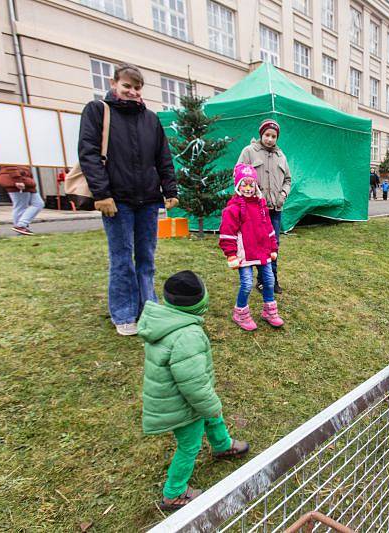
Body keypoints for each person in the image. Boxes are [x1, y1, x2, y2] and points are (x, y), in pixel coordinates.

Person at [78, 63, 178, 336]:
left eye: (137, 88)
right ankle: (123, 312)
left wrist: (170, 190)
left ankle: (149, 307)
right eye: (127, 87)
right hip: (116, 201)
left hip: (147, 199)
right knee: (121, 258)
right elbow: (88, 154)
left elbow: (163, 157)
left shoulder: (151, 119)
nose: (132, 92)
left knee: (147, 257)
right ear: (114, 84)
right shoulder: (98, 111)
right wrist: (102, 194)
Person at [138, 270, 250, 512]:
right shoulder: (187, 335)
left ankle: (222, 445)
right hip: (182, 403)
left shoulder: (166, 320)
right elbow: (193, 384)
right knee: (190, 444)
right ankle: (174, 492)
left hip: (181, 396)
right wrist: (210, 403)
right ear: (201, 304)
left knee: (212, 416)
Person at [219, 164, 284, 330]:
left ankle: (269, 311)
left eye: (251, 184)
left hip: (263, 251)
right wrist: (231, 254)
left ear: (255, 185)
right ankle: (240, 313)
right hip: (244, 254)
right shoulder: (232, 209)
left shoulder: (261, 205)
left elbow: (269, 228)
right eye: (244, 184)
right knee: (247, 284)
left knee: (269, 280)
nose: (248, 188)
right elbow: (227, 234)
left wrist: (273, 248)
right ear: (238, 185)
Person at [237, 119, 292, 295]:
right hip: (255, 210)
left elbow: (288, 180)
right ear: (261, 134)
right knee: (255, 244)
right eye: (267, 135)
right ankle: (258, 279)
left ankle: (272, 280)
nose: (270, 139)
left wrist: (283, 195)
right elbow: (238, 174)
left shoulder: (281, 156)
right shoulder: (249, 151)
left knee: (273, 244)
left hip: (275, 210)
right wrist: (252, 195)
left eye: (273, 136)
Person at [0, 165, 44, 235]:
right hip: (17, 181)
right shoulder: (11, 155)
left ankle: (21, 226)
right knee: (20, 206)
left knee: (38, 203)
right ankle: (20, 227)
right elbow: (10, 166)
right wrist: (17, 180)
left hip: (26, 181)